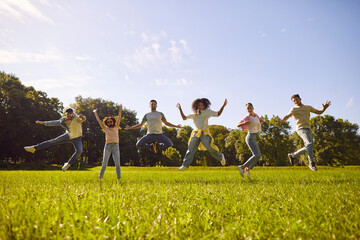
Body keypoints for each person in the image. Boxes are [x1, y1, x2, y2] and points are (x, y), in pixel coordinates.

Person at [278, 94, 331, 171]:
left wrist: (324, 108)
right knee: (310, 143)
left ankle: (293, 155)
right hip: (300, 129)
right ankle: (311, 163)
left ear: (300, 99)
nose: (295, 101)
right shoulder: (294, 109)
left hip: (308, 129)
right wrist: (282, 121)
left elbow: (319, 112)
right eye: (294, 101)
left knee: (309, 146)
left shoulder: (308, 107)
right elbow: (287, 116)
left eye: (296, 99)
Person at [177, 98, 227, 170]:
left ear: (204, 105)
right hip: (196, 132)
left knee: (209, 146)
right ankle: (185, 165)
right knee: (191, 148)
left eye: (202, 105)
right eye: (199, 105)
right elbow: (184, 118)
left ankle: (221, 157)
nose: (201, 106)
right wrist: (180, 109)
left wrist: (223, 106)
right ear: (196, 106)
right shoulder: (194, 113)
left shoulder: (207, 111)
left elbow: (218, 114)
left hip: (204, 132)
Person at [93, 104, 122, 180]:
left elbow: (119, 117)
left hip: (116, 147)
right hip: (108, 147)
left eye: (111, 121)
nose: (110, 123)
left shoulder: (116, 127)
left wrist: (120, 109)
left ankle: (118, 178)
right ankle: (100, 177)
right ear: (106, 123)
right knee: (104, 163)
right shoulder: (105, 128)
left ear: (113, 122)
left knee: (117, 164)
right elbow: (99, 121)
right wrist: (95, 113)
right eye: (108, 122)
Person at [237, 103, 263, 179]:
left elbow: (257, 123)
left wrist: (261, 121)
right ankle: (242, 167)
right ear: (246, 110)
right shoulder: (247, 117)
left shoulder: (256, 116)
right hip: (250, 137)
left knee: (258, 155)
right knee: (256, 155)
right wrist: (244, 123)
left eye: (250, 107)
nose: (249, 109)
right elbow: (238, 125)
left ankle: (247, 169)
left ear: (253, 107)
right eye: (247, 108)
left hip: (254, 137)